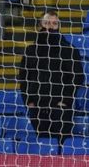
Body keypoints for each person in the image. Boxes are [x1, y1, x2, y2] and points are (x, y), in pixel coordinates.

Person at [19, 10, 83, 145]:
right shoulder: (31, 50)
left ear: (59, 26)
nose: (50, 26)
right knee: (43, 145)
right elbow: (23, 77)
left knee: (61, 145)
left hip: (61, 108)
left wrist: (65, 100)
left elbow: (77, 77)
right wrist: (29, 100)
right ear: (40, 25)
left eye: (54, 23)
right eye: (47, 23)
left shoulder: (69, 50)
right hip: (37, 106)